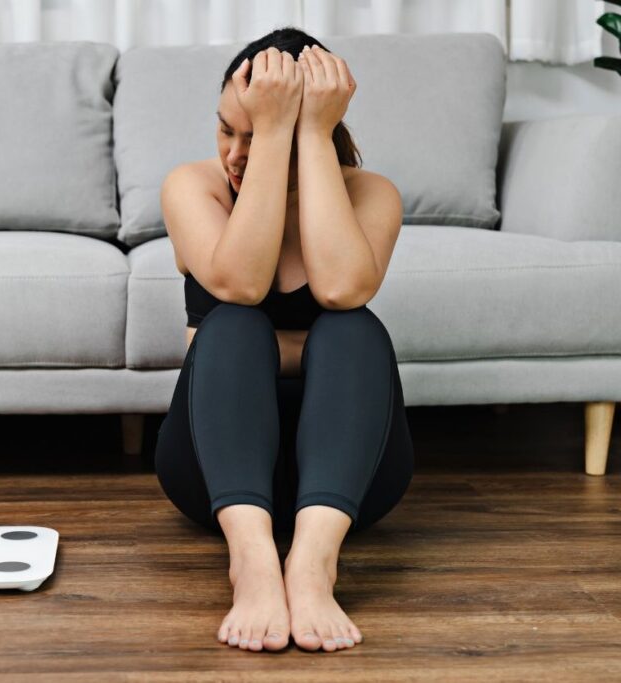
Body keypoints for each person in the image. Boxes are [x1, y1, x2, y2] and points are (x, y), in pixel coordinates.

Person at [154, 27, 414, 654]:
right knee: (235, 325)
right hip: (215, 471)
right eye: (227, 130)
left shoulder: (370, 194)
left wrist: (310, 135)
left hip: (351, 479)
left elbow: (343, 289)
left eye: (258, 132)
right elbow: (240, 286)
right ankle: (252, 563)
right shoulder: (195, 188)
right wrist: (272, 136)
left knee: (353, 328)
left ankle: (314, 564)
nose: (236, 155)